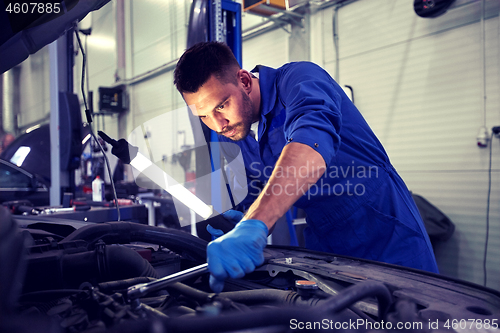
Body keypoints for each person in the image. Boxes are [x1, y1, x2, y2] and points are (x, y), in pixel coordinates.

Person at [173, 41, 438, 293]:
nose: (218, 124)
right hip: (324, 243)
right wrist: (243, 221)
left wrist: (255, 223)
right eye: (204, 115)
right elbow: (261, 193)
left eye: (221, 105)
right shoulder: (237, 132)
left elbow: (311, 142)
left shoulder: (299, 80)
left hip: (383, 229)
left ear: (243, 80)